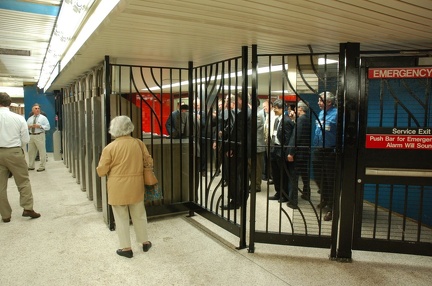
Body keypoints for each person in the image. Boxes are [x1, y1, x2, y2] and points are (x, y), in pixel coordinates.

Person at [96, 116, 153, 258]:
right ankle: (144, 242)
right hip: (136, 184)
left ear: (113, 129)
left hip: (117, 187)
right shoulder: (139, 143)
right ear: (130, 127)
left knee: (121, 217)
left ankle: (126, 248)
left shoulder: (109, 148)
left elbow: (102, 170)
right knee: (139, 213)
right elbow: (149, 161)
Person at [0, 92, 41, 223]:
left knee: (0, 186)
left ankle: (5, 215)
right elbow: (25, 139)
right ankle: (27, 208)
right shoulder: (18, 118)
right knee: (23, 181)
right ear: (9, 103)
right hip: (14, 152)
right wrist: (18, 147)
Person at [312, 91, 338, 221]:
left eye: (320, 100)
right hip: (318, 150)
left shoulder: (337, 114)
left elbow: (342, 133)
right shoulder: (322, 113)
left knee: (330, 180)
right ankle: (325, 198)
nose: (318, 102)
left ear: (329, 102)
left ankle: (332, 209)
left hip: (330, 151)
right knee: (318, 177)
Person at [269, 99, 297, 207]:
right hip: (274, 148)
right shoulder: (277, 119)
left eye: (276, 107)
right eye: (274, 107)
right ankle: (278, 192)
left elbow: (288, 138)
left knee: (282, 174)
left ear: (281, 108)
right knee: (275, 173)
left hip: (281, 150)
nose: (274, 109)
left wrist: (285, 152)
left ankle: (284, 195)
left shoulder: (287, 121)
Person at [295, 101, 312, 200]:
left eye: (297, 108)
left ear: (301, 109)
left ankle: (296, 197)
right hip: (305, 150)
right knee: (304, 173)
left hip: (300, 151)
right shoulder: (307, 119)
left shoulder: (301, 120)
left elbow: (298, 135)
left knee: (296, 174)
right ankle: (307, 192)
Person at [27, 103, 50, 172]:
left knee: (42, 151)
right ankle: (31, 166)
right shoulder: (30, 119)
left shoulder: (43, 118)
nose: (37, 110)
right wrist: (30, 126)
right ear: (32, 110)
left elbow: (48, 127)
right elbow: (26, 126)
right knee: (30, 152)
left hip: (39, 135)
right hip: (31, 135)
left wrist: (39, 126)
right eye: (35, 108)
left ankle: (42, 166)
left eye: (38, 108)